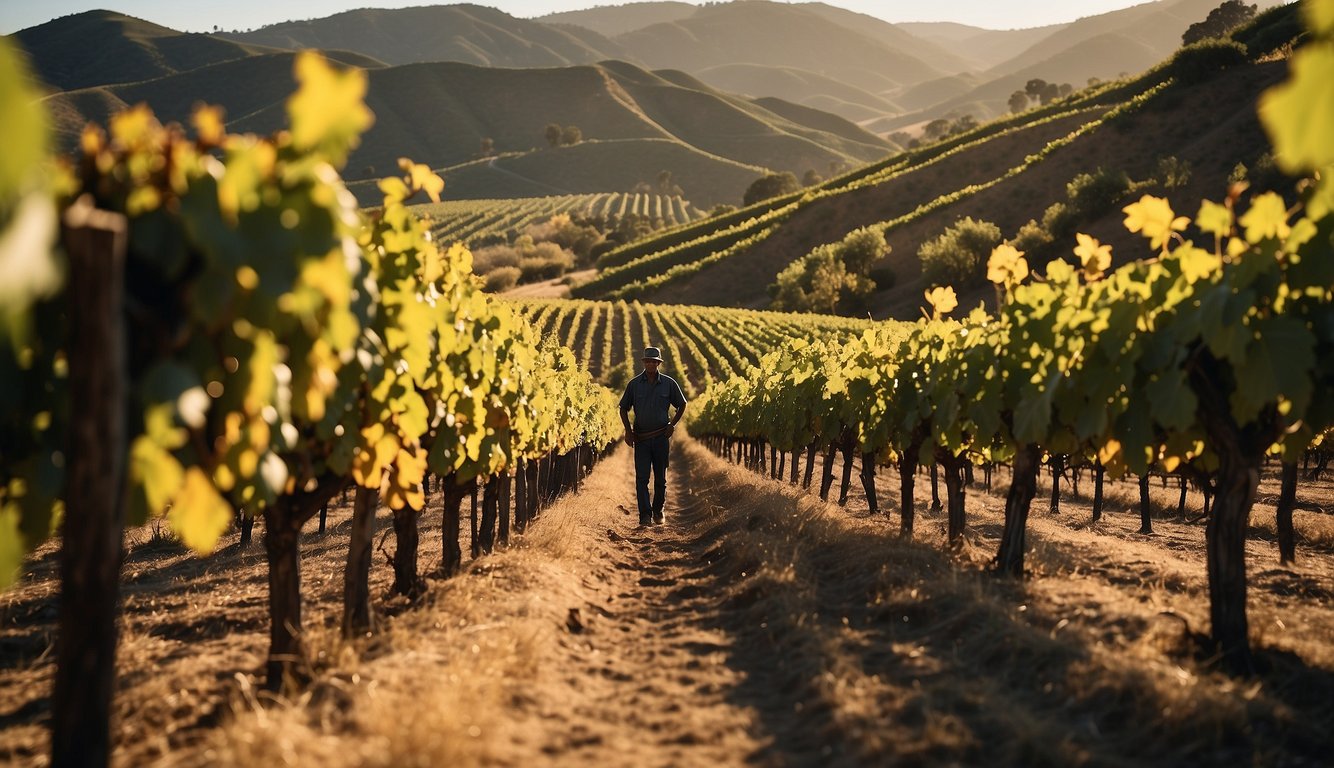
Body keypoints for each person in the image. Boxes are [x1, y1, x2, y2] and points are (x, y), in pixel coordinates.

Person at [619, 346, 687, 526]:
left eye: (654, 361)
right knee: (642, 478)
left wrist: (672, 425)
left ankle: (658, 510)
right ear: (644, 362)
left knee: (661, 479)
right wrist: (628, 430)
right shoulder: (634, 384)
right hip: (641, 439)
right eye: (647, 361)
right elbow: (623, 408)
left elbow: (682, 404)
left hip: (661, 439)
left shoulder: (668, 383)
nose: (650, 364)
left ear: (658, 363)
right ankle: (644, 515)